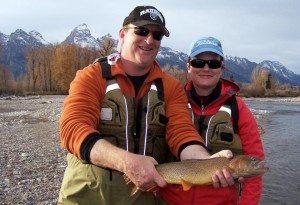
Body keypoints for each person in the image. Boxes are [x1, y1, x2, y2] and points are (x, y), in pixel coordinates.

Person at [58, 6, 236, 205]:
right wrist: (126, 162)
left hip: (142, 199)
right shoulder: (91, 76)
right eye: (141, 31)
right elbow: (73, 129)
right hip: (86, 195)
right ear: (123, 34)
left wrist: (207, 163)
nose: (149, 39)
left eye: (157, 35)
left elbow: (182, 132)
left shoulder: (171, 87)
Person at [158, 36, 265, 205]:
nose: (206, 68)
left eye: (213, 63)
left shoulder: (239, 109)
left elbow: (254, 173)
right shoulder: (171, 101)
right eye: (199, 63)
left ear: (221, 69)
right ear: (188, 67)